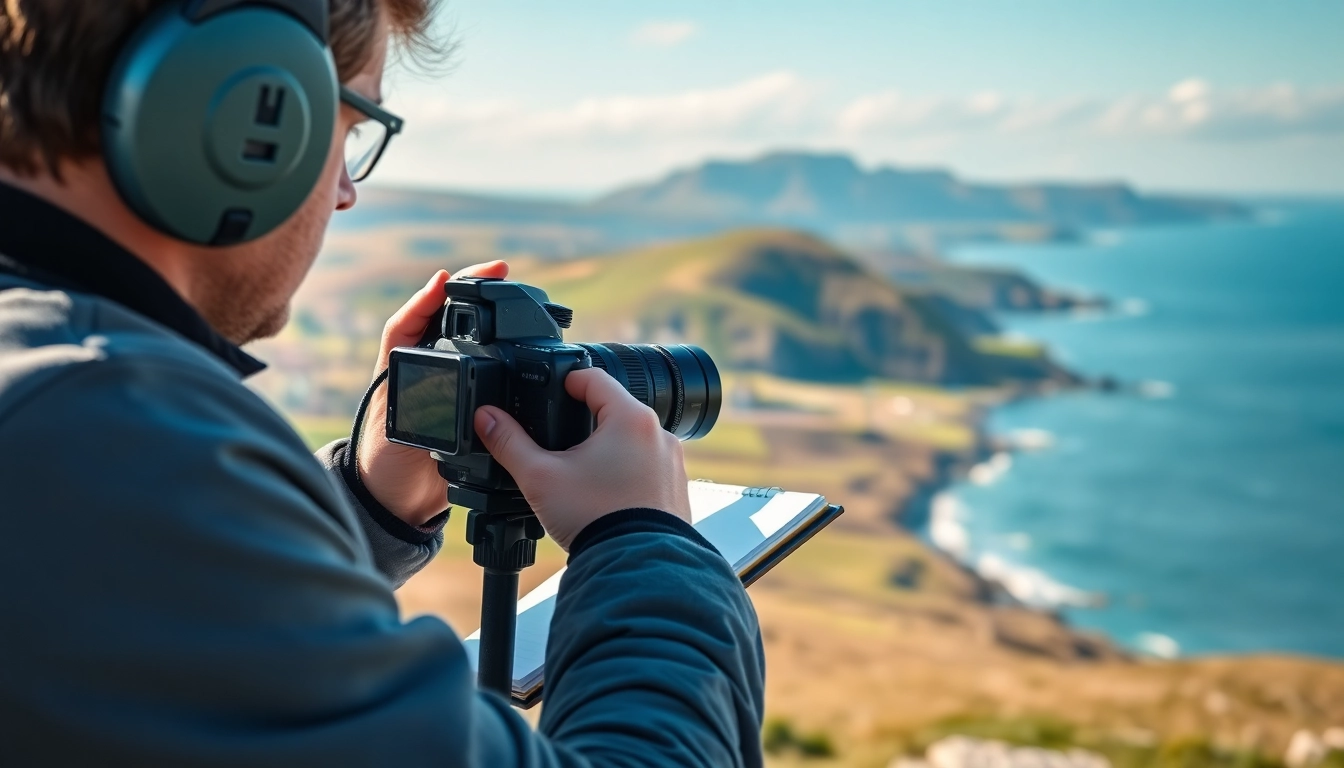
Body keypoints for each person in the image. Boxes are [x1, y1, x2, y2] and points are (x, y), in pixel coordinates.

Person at [0, 0, 764, 765]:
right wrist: (644, 541)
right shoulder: (99, 429)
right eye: (351, 132)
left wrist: (368, 504)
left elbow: (163, 640)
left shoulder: (55, 402)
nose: (343, 192)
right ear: (248, 120)